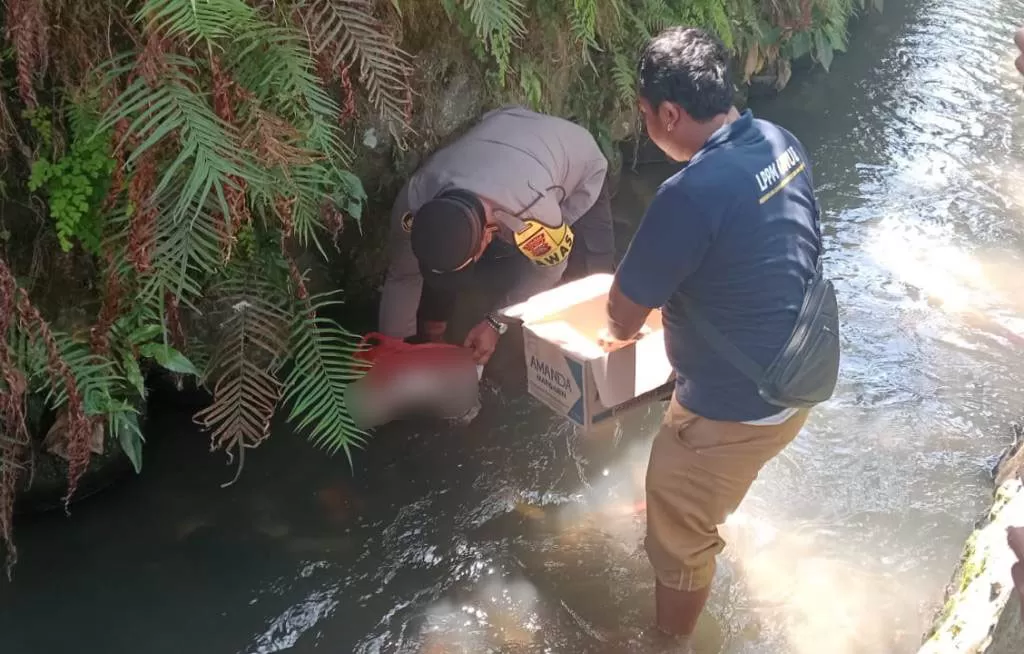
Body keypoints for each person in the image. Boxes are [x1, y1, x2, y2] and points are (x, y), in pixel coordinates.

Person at [602, 27, 822, 645]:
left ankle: (669, 640)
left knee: (676, 540)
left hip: (739, 405)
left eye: (645, 115)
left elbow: (621, 313)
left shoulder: (689, 193)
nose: (648, 124)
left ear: (669, 113)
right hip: (801, 369)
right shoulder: (781, 142)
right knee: (685, 478)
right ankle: (694, 503)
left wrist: (615, 330)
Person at [377, 105, 615, 366]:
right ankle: (433, 333)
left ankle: (583, 366)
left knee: (590, 279)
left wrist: (495, 322)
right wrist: (394, 352)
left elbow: (549, 270)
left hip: (577, 158)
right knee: (449, 260)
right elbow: (403, 276)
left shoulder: (533, 217)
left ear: (484, 240)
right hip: (506, 130)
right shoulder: (415, 200)